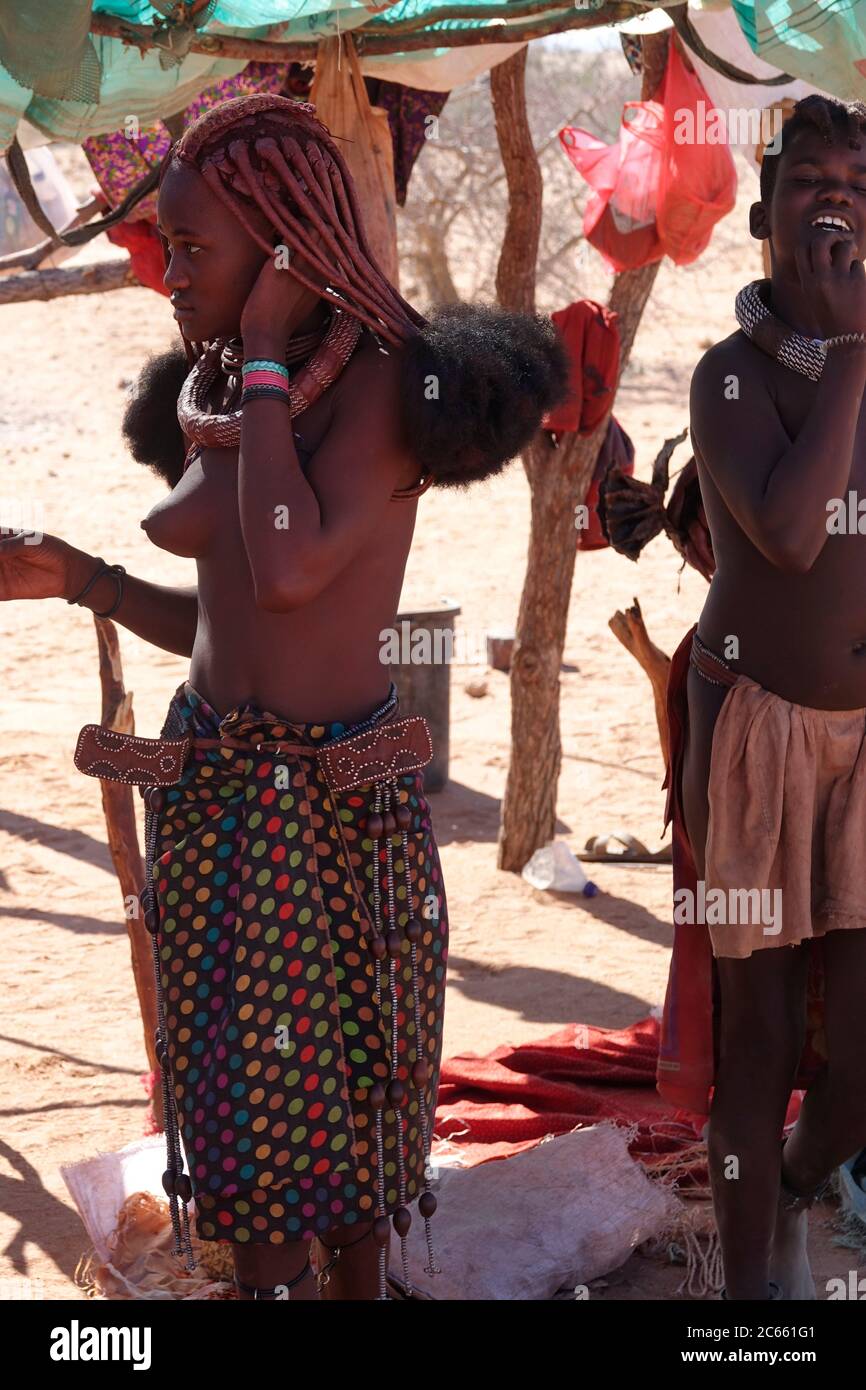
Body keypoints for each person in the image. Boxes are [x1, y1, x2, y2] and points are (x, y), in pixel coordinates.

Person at [0, 93, 569, 1301]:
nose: (166, 272)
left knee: (339, 1145)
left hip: (324, 820)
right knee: (245, 1135)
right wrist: (81, 580)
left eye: (195, 248)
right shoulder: (227, 389)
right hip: (214, 795)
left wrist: (262, 356)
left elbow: (291, 564)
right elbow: (231, 620)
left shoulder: (375, 389)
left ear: (283, 250)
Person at [660, 93, 866, 1301]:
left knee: (856, 1067)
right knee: (759, 1039)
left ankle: (790, 1184)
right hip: (752, 739)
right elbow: (789, 536)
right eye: (806, 179)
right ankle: (747, 1309)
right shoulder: (729, 380)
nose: (835, 194)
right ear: (760, 211)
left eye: (855, 178)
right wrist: (844, 352)